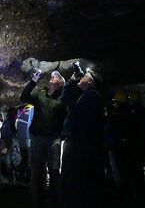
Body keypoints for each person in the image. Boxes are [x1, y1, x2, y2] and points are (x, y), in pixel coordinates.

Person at [20, 70, 66, 208]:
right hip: (37, 138)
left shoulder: (62, 100)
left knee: (54, 171)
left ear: (60, 84)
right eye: (53, 76)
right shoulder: (40, 94)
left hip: (53, 140)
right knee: (37, 171)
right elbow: (24, 97)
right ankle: (37, 202)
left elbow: (64, 119)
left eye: (56, 77)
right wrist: (33, 81)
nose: (53, 76)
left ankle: (55, 201)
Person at [60, 68, 105, 208]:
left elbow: (78, 117)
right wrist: (72, 80)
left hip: (79, 145)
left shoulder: (91, 96)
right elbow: (65, 99)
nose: (81, 78)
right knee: (74, 178)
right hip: (78, 143)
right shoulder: (86, 95)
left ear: (90, 81)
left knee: (75, 178)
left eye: (84, 76)